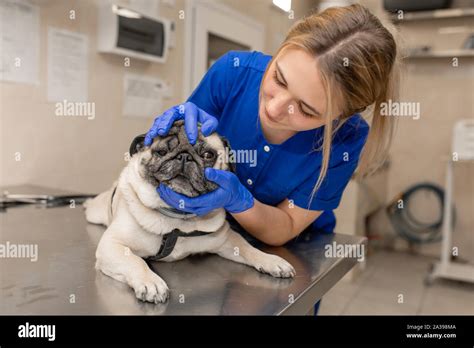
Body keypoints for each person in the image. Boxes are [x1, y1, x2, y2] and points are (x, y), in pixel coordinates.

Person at [144, 4, 399, 314]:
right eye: (279, 78)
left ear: (341, 116)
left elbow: (287, 226)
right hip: (206, 239)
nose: (276, 108)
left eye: (306, 110)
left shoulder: (348, 137)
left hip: (292, 250)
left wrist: (238, 199)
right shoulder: (233, 73)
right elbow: (182, 147)